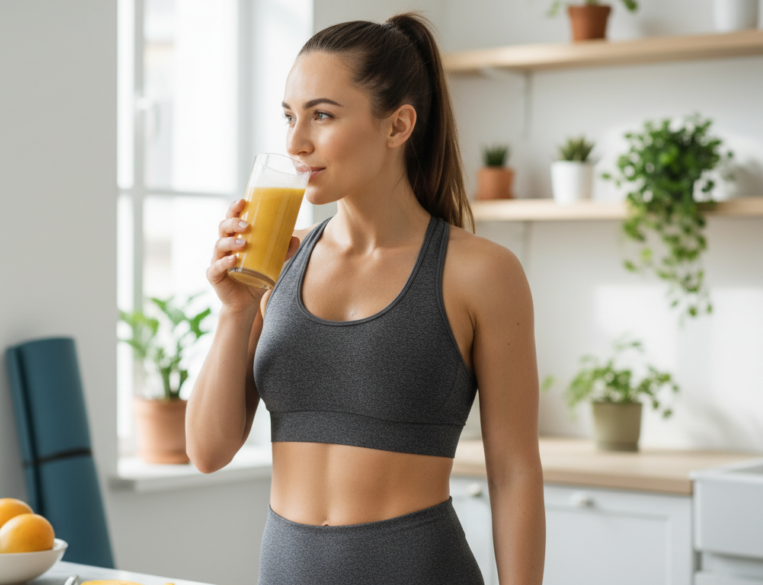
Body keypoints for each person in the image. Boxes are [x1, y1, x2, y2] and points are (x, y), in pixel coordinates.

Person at [186, 12, 545, 585]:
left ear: (398, 125)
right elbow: (207, 452)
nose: (295, 142)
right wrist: (235, 310)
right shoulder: (280, 260)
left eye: (322, 115)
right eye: (289, 116)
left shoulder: (480, 272)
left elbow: (516, 471)